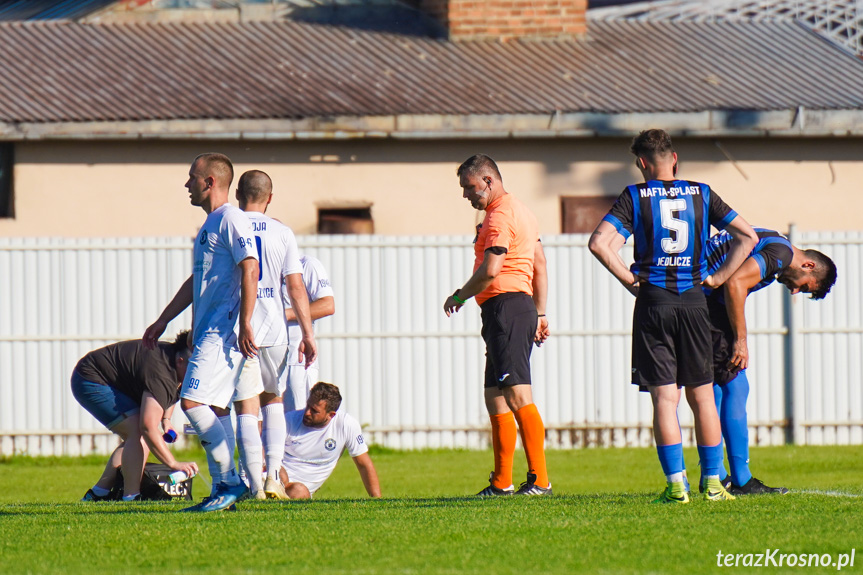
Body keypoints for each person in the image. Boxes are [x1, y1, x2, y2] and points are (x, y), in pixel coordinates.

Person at [589, 129, 758, 504]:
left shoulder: (634, 195)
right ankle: (713, 483)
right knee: (702, 397)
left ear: (641, 164)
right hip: (695, 303)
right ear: (675, 159)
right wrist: (717, 277)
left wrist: (630, 279)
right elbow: (747, 236)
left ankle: (676, 486)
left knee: (665, 400)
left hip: (654, 304)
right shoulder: (701, 193)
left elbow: (599, 243)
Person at [143, 152, 261, 512]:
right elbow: (200, 281)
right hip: (208, 330)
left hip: (222, 331)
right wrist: (166, 319)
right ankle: (224, 491)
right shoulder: (211, 225)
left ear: (210, 182)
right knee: (213, 408)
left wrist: (244, 322)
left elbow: (251, 267)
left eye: (192, 177)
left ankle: (230, 482)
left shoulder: (231, 219)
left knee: (192, 404)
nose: (186, 184)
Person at [443, 154, 552, 497]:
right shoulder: (522, 210)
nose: (466, 195)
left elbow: (491, 270)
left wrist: (459, 296)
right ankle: (502, 483)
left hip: (507, 308)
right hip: (512, 309)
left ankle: (541, 481)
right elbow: (540, 264)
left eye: (469, 187)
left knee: (518, 394)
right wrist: (541, 312)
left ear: (488, 181)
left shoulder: (500, 214)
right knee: (496, 397)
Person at [700, 228, 837, 495]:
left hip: (694, 303)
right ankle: (739, 479)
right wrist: (740, 340)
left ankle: (715, 475)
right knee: (735, 387)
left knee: (713, 391)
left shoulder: (772, 241)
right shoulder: (781, 253)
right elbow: (735, 283)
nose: (795, 291)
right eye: (804, 285)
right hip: (706, 309)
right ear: (808, 265)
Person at [232, 169, 316, 500]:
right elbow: (295, 287)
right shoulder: (283, 232)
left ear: (238, 194)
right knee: (274, 400)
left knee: (245, 407)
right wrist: (308, 333)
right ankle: (273, 479)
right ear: (270, 198)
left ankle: (253, 483)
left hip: (241, 328)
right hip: (277, 330)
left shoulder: (230, 226)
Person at [73, 331, 198, 501]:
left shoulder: (174, 361)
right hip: (90, 378)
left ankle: (97, 494)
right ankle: (131, 497)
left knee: (138, 433)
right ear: (181, 361)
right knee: (138, 432)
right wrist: (173, 464)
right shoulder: (161, 372)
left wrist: (166, 420)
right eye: (195, 368)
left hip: (103, 377)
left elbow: (172, 390)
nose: (197, 375)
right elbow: (147, 427)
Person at [278, 382, 380, 499]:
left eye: (314, 411)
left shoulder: (345, 425)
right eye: (308, 406)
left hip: (298, 490)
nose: (306, 413)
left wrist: (377, 500)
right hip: (272, 479)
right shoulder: (289, 420)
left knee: (299, 491)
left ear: (330, 415)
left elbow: (363, 465)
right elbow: (265, 453)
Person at [282, 254, 335, 413]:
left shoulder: (306, 265)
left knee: (299, 419)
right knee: (262, 421)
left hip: (297, 359)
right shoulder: (261, 267)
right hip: (263, 355)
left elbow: (327, 305)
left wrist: (285, 315)